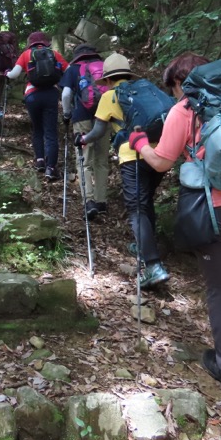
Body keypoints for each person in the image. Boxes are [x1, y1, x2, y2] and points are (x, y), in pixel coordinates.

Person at [129, 51, 221, 399]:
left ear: (181, 82)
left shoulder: (186, 109)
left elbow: (162, 161)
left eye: (173, 88)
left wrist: (139, 144)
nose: (173, 94)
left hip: (219, 209)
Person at [76, 53, 168, 289]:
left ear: (107, 80)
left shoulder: (109, 96)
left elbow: (97, 132)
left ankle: (153, 266)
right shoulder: (146, 88)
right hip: (160, 153)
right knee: (145, 201)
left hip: (133, 155)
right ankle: (146, 246)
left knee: (136, 208)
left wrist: (83, 139)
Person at [5, 31, 68, 181]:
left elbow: (14, 74)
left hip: (32, 95)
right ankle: (51, 168)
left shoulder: (26, 54)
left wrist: (7, 73)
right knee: (51, 132)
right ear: (45, 42)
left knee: (37, 128)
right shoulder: (53, 53)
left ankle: (40, 160)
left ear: (30, 43)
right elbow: (69, 69)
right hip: (51, 94)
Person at [60, 44, 110, 219]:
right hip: (104, 116)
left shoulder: (73, 69)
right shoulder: (105, 66)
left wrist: (67, 114)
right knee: (102, 160)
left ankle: (89, 202)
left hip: (81, 118)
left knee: (85, 161)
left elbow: (66, 95)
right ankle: (101, 201)